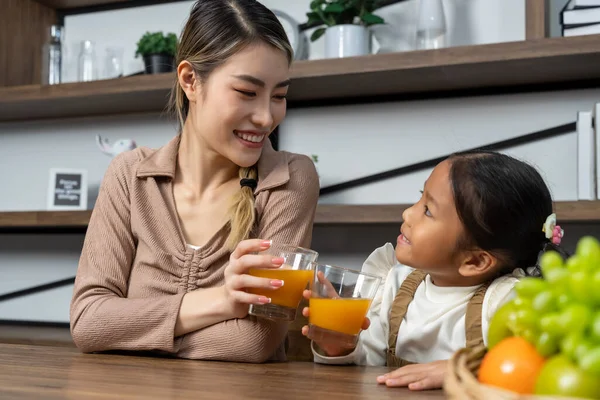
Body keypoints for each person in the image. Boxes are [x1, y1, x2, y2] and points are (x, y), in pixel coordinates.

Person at [70, 0, 319, 363]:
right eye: (247, 92)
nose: (266, 117)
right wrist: (222, 302)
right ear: (190, 80)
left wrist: (128, 332)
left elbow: (253, 340)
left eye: (279, 96)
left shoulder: (289, 180)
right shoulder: (130, 176)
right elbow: (89, 321)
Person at [302, 151, 565, 389]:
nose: (408, 213)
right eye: (420, 198)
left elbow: (540, 368)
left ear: (474, 262)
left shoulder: (506, 301)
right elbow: (370, 367)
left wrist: (471, 369)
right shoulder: (397, 284)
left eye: (428, 210)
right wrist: (341, 347)